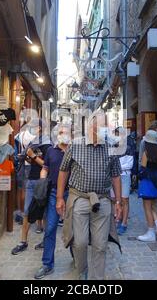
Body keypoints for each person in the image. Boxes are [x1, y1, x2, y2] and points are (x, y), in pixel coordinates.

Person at [56, 113, 122, 280]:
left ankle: (98, 279)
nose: (105, 130)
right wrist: (59, 198)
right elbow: (63, 171)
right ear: (91, 128)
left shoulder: (111, 148)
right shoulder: (75, 145)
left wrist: (119, 202)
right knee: (80, 242)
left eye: (106, 127)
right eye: (102, 127)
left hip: (103, 200)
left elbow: (116, 176)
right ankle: (82, 272)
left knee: (100, 245)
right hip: (79, 199)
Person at [34, 125, 72, 279]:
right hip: (54, 193)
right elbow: (45, 168)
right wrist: (42, 181)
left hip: (73, 194)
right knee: (50, 228)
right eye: (61, 132)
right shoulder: (51, 151)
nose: (64, 134)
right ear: (57, 135)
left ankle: (78, 259)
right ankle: (47, 264)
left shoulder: (75, 150)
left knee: (74, 229)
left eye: (67, 132)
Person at [11, 119, 52, 255]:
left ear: (39, 128)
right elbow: (32, 160)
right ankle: (23, 241)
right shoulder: (33, 142)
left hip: (42, 183)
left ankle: (46, 241)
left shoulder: (47, 144)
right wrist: (27, 158)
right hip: (31, 180)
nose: (31, 129)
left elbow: (47, 164)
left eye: (33, 127)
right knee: (27, 212)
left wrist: (33, 156)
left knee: (45, 213)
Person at [137, 130, 157, 243]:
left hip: (148, 181)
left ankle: (150, 232)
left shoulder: (146, 153)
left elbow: (143, 169)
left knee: (147, 207)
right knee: (154, 204)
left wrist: (138, 176)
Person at [113, 127, 134, 236]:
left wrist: (116, 167)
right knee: (114, 199)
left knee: (124, 199)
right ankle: (117, 218)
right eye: (116, 134)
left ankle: (124, 223)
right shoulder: (113, 147)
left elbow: (129, 165)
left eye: (120, 134)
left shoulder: (128, 148)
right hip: (114, 177)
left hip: (125, 176)